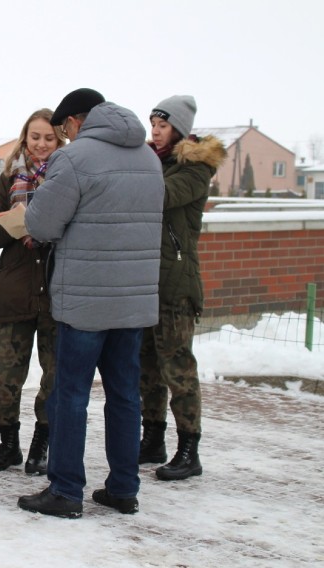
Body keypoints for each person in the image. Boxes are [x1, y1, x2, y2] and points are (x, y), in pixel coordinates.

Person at [17, 88, 164, 518]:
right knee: (124, 395)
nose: (64, 136)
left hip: (85, 300)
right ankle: (123, 488)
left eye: (64, 128)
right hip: (133, 301)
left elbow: (41, 224)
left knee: (71, 394)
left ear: (76, 121)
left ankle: (65, 490)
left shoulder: (75, 158)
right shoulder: (149, 158)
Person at [139, 95, 226, 481]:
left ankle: (189, 450)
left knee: (178, 368)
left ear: (178, 129)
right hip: (146, 281)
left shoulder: (194, 168)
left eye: (161, 125)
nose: (154, 132)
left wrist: (133, 170)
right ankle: (152, 439)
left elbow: (160, 196)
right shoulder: (153, 162)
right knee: (147, 367)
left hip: (175, 282)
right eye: (152, 124)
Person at [0, 109, 65, 475]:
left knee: (55, 374)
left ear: (59, 140)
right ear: (25, 137)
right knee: (3, 371)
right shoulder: (10, 176)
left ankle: (41, 445)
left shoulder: (69, 176)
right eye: (35, 137)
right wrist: (17, 221)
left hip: (56, 290)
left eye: (49, 138)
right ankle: (8, 443)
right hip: (14, 288)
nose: (42, 144)